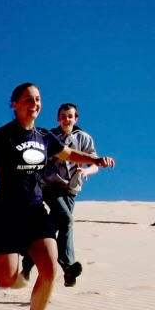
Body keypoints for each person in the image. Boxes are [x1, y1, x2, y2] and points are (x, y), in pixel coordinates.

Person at [0, 83, 115, 310]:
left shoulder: (44, 136)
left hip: (34, 211)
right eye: (27, 99)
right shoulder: (2, 136)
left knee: (49, 269)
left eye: (37, 99)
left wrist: (95, 160)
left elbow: (69, 154)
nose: (34, 104)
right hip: (5, 214)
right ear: (14, 104)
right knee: (6, 280)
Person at [19, 103, 103, 287]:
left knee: (50, 229)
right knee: (67, 220)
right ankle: (68, 268)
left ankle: (27, 263)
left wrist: (87, 172)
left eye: (70, 116)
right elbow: (28, 153)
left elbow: (94, 162)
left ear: (76, 118)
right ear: (58, 118)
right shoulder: (49, 137)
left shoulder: (84, 138)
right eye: (63, 116)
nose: (66, 119)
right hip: (49, 187)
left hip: (71, 190)